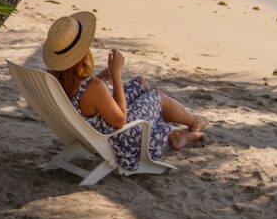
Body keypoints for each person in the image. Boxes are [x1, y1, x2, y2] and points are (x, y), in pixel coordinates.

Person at [43, 11, 208, 172]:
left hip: (92, 128)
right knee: (156, 96)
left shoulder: (54, 79)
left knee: (141, 83)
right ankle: (189, 125)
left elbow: (85, 99)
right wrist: (116, 75)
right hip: (118, 137)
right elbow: (120, 120)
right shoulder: (93, 88)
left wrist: (101, 77)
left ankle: (172, 134)